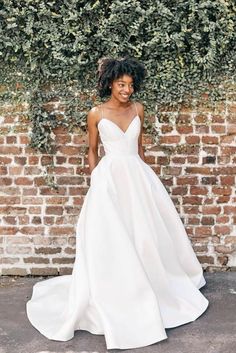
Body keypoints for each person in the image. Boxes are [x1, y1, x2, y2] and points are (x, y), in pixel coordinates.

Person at [27, 57, 209, 350]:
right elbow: (92, 150)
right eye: (121, 84)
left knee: (145, 232)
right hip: (109, 180)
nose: (127, 90)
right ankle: (117, 287)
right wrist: (95, 178)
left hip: (137, 176)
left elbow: (139, 149)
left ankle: (150, 281)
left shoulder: (138, 109)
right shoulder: (96, 114)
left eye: (130, 84)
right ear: (110, 83)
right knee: (112, 235)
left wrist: (147, 182)